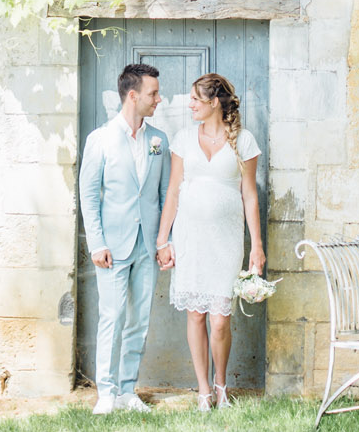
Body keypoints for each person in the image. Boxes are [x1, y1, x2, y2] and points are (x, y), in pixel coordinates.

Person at [155, 72, 264, 410]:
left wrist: (257, 246)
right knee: (196, 316)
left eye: (196, 100)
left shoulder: (243, 141)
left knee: (219, 320)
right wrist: (163, 240)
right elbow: (173, 191)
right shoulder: (184, 139)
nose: (190, 105)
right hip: (190, 237)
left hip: (226, 240)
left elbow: (249, 195)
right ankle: (203, 391)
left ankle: (221, 384)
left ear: (214, 102)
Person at [77, 61, 170, 414]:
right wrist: (96, 243)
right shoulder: (99, 140)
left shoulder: (159, 141)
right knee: (112, 317)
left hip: (147, 245)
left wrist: (164, 242)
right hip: (112, 247)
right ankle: (106, 392)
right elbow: (88, 194)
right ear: (133, 96)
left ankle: (128, 390)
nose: (159, 99)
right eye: (154, 93)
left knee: (139, 320)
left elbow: (162, 197)